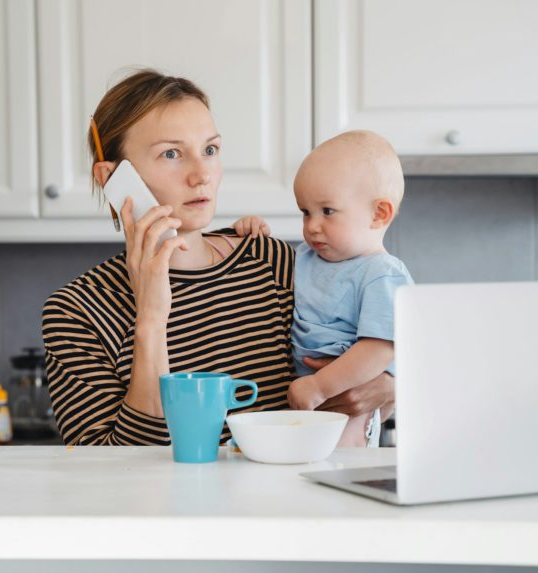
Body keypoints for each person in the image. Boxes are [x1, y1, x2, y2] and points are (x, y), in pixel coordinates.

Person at [42, 69, 395, 445]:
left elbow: (369, 348)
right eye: (172, 154)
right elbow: (114, 471)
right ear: (111, 178)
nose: (201, 175)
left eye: (210, 150)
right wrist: (151, 319)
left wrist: (390, 388)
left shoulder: (272, 263)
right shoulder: (75, 312)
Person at [236, 130, 413, 447]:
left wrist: (320, 386)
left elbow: (379, 348)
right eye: (306, 212)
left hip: (346, 396)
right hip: (307, 395)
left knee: (339, 461)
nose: (312, 225)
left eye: (327, 211)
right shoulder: (308, 256)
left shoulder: (382, 274)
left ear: (379, 213)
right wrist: (253, 231)